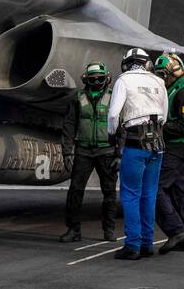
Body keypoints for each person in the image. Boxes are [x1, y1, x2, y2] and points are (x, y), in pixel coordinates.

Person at [108, 48, 168, 261]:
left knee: (130, 194)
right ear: (146, 63)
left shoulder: (123, 81)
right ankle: (147, 244)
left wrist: (111, 135)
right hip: (157, 144)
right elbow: (165, 115)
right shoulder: (159, 82)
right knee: (149, 193)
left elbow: (114, 114)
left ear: (126, 63)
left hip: (135, 144)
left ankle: (132, 244)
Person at [58, 62, 120, 243]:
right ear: (86, 79)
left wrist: (119, 153)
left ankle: (109, 230)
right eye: (93, 79)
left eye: (100, 79)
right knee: (75, 191)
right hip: (83, 151)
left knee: (109, 193)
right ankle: (73, 230)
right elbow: (69, 126)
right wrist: (67, 152)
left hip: (107, 151)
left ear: (106, 78)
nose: (96, 82)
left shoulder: (113, 98)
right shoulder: (77, 98)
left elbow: (120, 126)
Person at [152, 53, 184, 253]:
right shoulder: (174, 87)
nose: (162, 79)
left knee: (155, 188)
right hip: (182, 147)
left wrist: (158, 126)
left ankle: (176, 230)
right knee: (179, 193)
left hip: (179, 147)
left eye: (165, 75)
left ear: (175, 72)